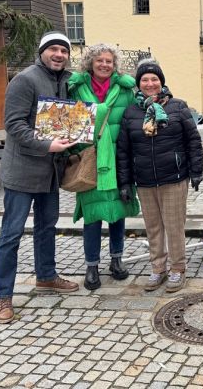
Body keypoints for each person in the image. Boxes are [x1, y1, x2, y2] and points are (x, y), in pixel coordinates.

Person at [0, 32, 79, 324]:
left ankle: (46, 276)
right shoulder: (25, 80)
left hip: (50, 172)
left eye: (63, 50)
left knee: (47, 227)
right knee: (11, 234)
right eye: (53, 49)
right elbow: (13, 125)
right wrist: (47, 145)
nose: (59, 54)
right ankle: (3, 296)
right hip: (22, 171)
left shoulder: (68, 81)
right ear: (42, 52)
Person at [116, 59, 203, 292]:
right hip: (144, 180)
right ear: (139, 83)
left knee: (174, 226)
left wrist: (196, 171)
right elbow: (123, 150)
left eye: (154, 78)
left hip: (174, 178)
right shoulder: (131, 112)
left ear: (161, 81)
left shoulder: (177, 106)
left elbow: (193, 141)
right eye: (144, 79)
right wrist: (124, 182)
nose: (150, 83)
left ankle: (178, 269)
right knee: (153, 227)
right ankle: (158, 269)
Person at [68, 44, 140, 290]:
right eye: (100, 60)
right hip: (90, 161)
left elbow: (133, 121)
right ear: (90, 62)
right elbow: (69, 124)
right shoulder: (76, 88)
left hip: (119, 161)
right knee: (93, 216)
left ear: (114, 64)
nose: (104, 65)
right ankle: (91, 266)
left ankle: (117, 260)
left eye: (109, 61)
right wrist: (78, 152)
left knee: (117, 215)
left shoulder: (125, 89)